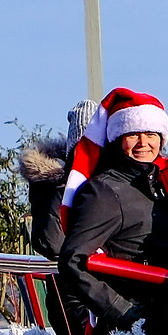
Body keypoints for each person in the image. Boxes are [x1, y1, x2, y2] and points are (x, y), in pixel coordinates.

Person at [54, 88, 168, 335]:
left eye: (151, 134)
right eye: (133, 134)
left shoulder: (163, 183)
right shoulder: (104, 191)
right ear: (117, 137)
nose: (143, 143)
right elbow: (73, 261)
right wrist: (126, 314)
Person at [22, 99, 101, 260]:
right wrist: (64, 185)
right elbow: (52, 243)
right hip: (68, 276)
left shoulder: (109, 182)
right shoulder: (51, 184)